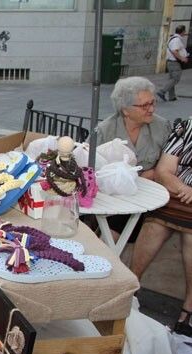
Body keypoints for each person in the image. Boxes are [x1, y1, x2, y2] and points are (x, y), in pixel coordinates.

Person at [131, 119, 192, 337]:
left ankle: (189, 307)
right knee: (154, 225)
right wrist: (184, 189)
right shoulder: (186, 127)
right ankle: (131, 287)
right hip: (177, 194)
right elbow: (164, 170)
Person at [94, 77, 171, 241]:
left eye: (153, 102)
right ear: (125, 110)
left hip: (149, 195)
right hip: (112, 196)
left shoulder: (161, 126)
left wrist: (153, 173)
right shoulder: (104, 131)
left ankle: (105, 245)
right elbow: (89, 167)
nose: (151, 109)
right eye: (144, 106)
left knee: (123, 220)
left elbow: (170, 163)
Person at [157, 25, 189, 102]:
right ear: (183, 32)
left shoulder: (173, 38)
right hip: (174, 63)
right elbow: (175, 51)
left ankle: (172, 97)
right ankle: (162, 91)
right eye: (185, 31)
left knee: (172, 79)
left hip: (171, 62)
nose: (185, 33)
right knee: (175, 78)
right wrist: (182, 58)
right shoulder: (176, 40)